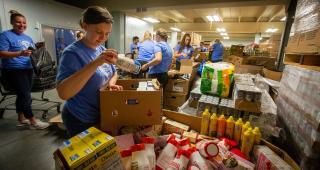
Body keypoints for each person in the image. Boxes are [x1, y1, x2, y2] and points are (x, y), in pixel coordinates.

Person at [56, 6, 122, 137]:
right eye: (99, 32)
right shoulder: (72, 53)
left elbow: (114, 72)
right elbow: (64, 93)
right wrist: (96, 63)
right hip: (80, 118)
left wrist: (111, 84)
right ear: (85, 26)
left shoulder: (100, 48)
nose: (103, 37)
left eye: (107, 33)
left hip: (100, 114)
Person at [0, 10, 49, 129]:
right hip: (14, 70)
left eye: (24, 23)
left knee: (22, 95)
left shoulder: (27, 37)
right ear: (12, 23)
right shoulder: (5, 35)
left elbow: (30, 51)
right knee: (25, 95)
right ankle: (33, 121)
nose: (22, 25)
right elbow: (1, 53)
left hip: (28, 68)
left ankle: (21, 119)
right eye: (18, 22)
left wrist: (36, 48)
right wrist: (20, 53)